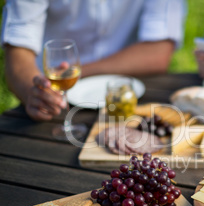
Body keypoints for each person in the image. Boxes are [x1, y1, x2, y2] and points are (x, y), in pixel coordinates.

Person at [1, 0, 185, 121]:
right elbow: (17, 49)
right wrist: (33, 93)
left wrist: (74, 73)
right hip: (53, 107)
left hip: (126, 97)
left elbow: (158, 53)